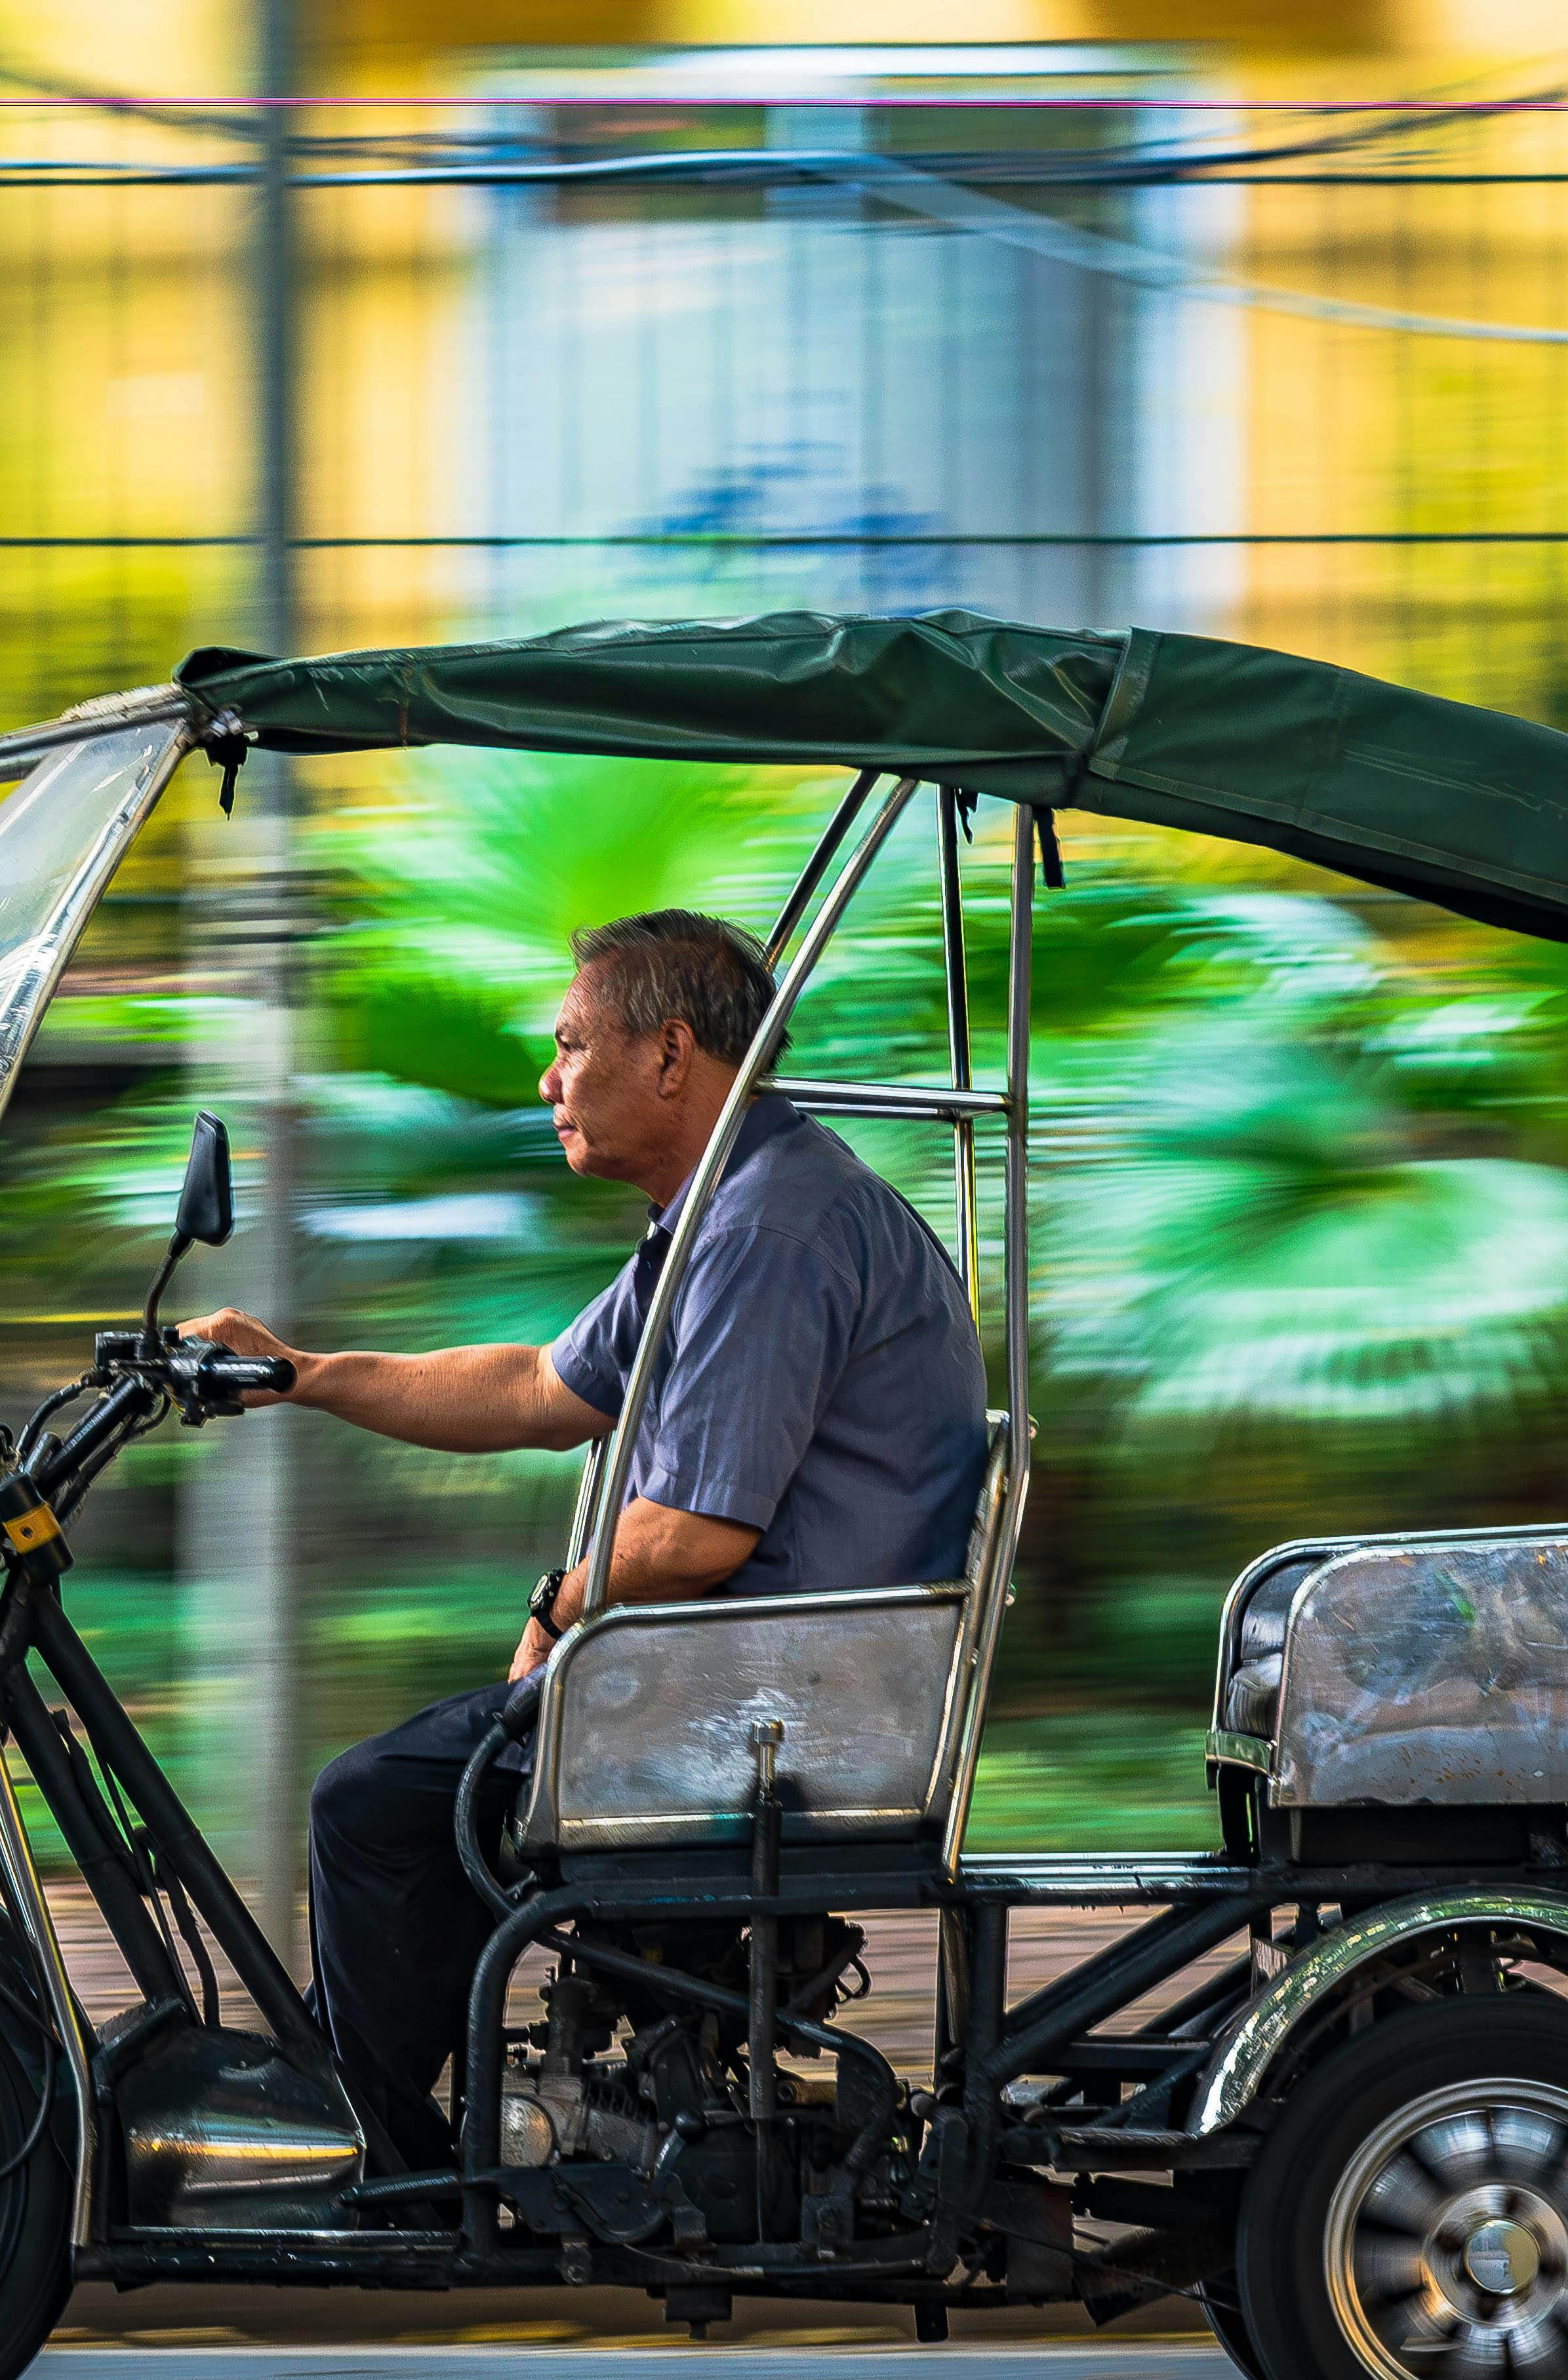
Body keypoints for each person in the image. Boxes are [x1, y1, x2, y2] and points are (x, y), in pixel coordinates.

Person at [182, 905, 991, 2172]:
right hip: (761, 1678)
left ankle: (382, 2166)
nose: (546, 1079)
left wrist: (558, 1608)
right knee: (429, 1770)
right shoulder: (721, 1212)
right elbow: (537, 1389)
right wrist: (303, 1373)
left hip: (769, 1704)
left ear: (670, 1055)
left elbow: (697, 1534)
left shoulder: (769, 1232)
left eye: (569, 1044)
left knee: (375, 1802)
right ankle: (488, 2122)